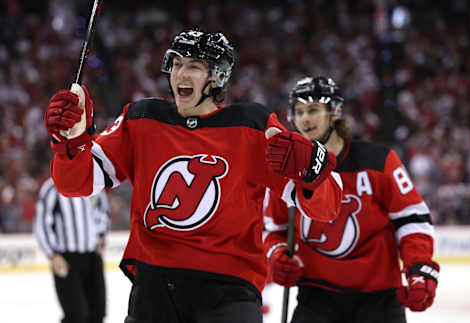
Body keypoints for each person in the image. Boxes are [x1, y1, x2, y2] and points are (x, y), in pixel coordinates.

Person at [43, 29, 343, 323]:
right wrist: (72, 141)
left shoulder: (252, 126)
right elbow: (74, 184)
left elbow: (327, 208)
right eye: (176, 64)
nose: (180, 75)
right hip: (154, 288)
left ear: (218, 77)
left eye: (194, 67)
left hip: (228, 292)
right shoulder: (142, 119)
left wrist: (312, 174)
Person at [264, 76, 439, 323]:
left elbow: (412, 220)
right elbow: (274, 229)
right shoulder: (289, 168)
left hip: (378, 299)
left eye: (313, 110)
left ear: (334, 112)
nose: (304, 118)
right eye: (299, 111)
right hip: (316, 298)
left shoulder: (379, 161)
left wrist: (419, 268)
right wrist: (277, 254)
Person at [33, 177, 110, 323]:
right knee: (76, 314)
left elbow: (102, 211)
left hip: (93, 257)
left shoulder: (94, 183)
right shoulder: (52, 188)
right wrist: (53, 254)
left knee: (98, 312)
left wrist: (101, 234)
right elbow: (42, 223)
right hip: (66, 259)